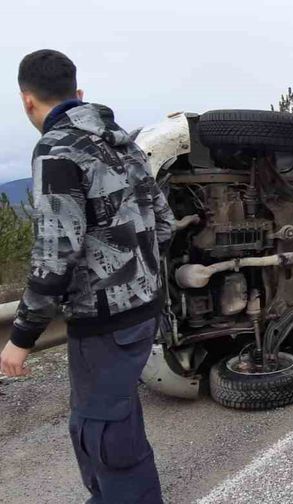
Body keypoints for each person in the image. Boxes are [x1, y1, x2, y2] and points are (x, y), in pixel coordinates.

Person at [0, 49, 174, 503]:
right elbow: (164, 223)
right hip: (144, 309)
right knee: (113, 420)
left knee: (105, 435)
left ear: (27, 100)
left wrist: (22, 336)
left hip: (104, 324)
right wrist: (138, 276)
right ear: (78, 93)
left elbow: (56, 253)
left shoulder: (56, 149)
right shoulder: (124, 143)